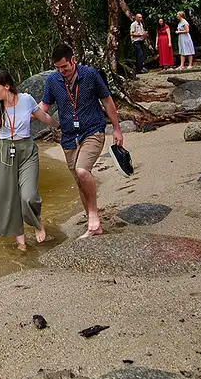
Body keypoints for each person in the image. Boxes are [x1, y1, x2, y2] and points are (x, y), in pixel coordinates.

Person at [39, 44, 132, 239]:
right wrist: (21, 114)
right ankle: (92, 223)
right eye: (58, 68)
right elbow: (43, 106)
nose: (61, 71)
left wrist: (116, 128)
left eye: (64, 67)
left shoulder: (90, 75)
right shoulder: (53, 80)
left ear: (73, 60)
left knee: (82, 171)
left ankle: (94, 217)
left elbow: (107, 101)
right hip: (69, 137)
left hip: (93, 130)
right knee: (79, 181)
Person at [0, 69, 60, 250]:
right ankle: (21, 243)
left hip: (27, 151)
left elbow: (43, 116)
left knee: (28, 196)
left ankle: (37, 222)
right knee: (9, 199)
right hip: (4, 152)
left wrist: (60, 125)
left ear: (7, 86)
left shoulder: (26, 99)